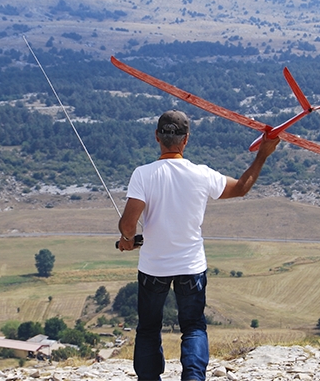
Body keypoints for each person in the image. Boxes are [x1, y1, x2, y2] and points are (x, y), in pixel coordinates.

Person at [118, 109, 279, 381]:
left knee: (148, 328)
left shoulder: (143, 174)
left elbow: (128, 225)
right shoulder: (201, 174)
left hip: (153, 267)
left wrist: (126, 241)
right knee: (193, 327)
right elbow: (241, 187)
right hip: (191, 267)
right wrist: (262, 154)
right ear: (186, 139)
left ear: (157, 137)